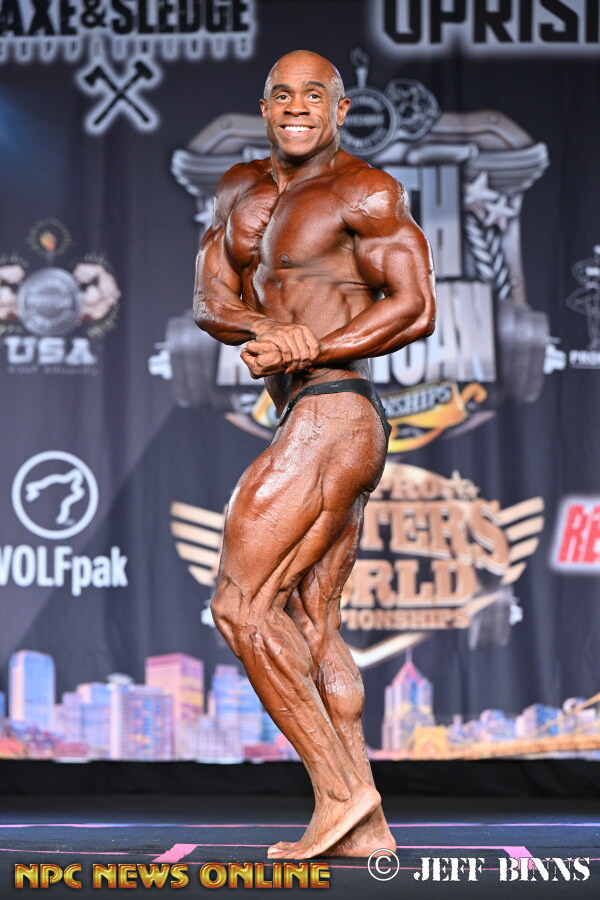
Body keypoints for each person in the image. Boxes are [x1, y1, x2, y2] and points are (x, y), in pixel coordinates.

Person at [193, 50, 436, 860]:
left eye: (314, 95)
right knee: (313, 623)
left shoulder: (363, 190)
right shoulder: (241, 190)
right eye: (283, 95)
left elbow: (416, 305)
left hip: (337, 409)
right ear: (265, 107)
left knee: (241, 605)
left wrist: (315, 344)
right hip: (310, 413)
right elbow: (212, 300)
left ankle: (340, 792)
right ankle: (367, 830)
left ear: (340, 109)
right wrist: (271, 328)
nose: (298, 107)